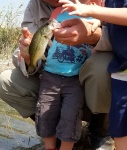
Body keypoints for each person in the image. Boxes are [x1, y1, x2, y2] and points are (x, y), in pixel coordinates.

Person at [0, 0, 114, 149]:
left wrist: (95, 36)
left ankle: (101, 133)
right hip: (53, 80)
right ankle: (55, 136)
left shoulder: (98, 4)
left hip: (87, 83)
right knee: (5, 82)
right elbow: (25, 48)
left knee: (104, 68)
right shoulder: (35, 6)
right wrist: (27, 57)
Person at [59, 0, 127, 149]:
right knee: (120, 127)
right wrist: (96, 22)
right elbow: (111, 17)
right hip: (121, 66)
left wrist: (90, 10)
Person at [35, 1, 101, 149]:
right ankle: (49, 147)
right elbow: (46, 33)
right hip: (50, 75)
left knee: (71, 116)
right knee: (45, 113)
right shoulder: (58, 11)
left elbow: (102, 35)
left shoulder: (97, 12)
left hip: (75, 78)